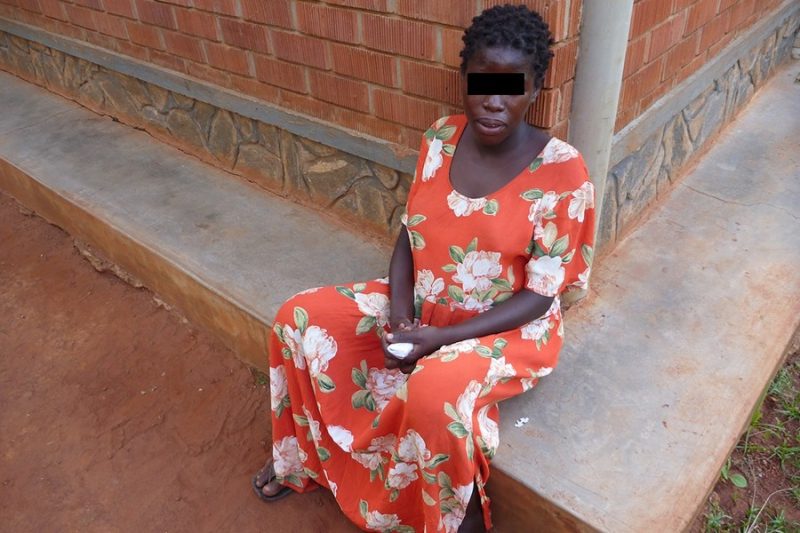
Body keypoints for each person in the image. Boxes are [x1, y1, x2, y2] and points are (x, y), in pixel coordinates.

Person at [252, 5, 596, 532]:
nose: (495, 101)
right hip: (424, 304)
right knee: (297, 318)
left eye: (512, 86)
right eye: (483, 82)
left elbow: (540, 295)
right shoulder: (440, 138)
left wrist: (439, 340)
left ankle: (457, 521)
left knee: (435, 392)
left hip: (507, 325)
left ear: (535, 88)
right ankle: (304, 458)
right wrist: (399, 317)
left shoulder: (562, 171)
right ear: (465, 79)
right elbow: (407, 237)